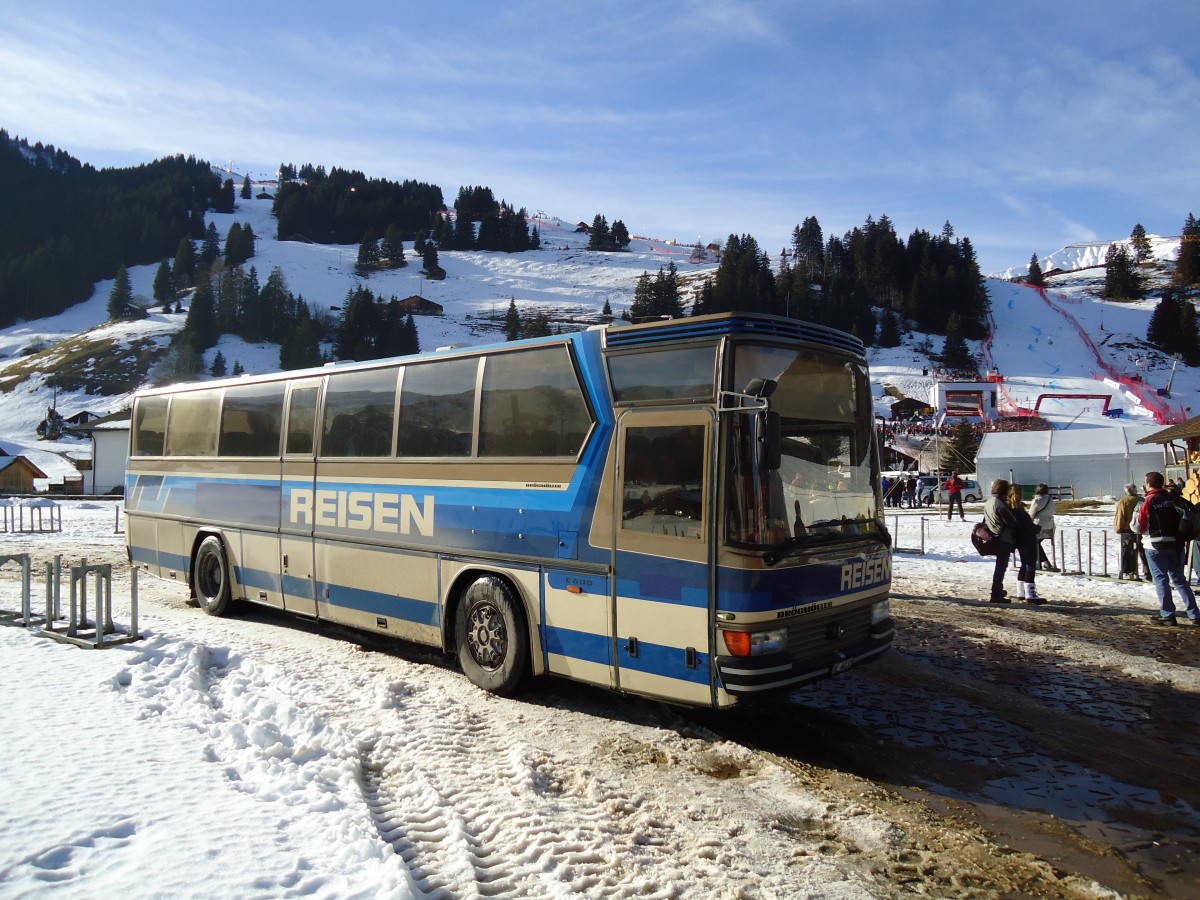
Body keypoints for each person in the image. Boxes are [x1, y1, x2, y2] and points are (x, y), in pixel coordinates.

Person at [1134, 471, 1200, 625]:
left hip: (1155, 544)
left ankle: (1168, 614)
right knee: (1179, 579)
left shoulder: (1147, 501)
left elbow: (1140, 526)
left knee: (1161, 579)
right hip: (1177, 544)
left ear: (1148, 483)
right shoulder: (1173, 499)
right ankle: (1194, 614)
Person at [1007, 483, 1046, 604]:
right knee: (1030, 565)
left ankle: (1021, 592)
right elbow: (1027, 526)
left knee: (1024, 565)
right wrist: (1037, 529)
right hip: (1027, 539)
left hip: (1018, 540)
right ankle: (1031, 594)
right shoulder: (1019, 509)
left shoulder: (1010, 508)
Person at [983, 478, 1019, 603]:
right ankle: (996, 593)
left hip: (994, 536)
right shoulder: (1000, 503)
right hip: (1003, 538)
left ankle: (998, 590)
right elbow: (1012, 522)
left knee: (1000, 567)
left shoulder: (989, 502)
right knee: (1001, 567)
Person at [1114, 483, 1144, 580]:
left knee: (1127, 550)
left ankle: (1128, 570)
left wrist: (1118, 528)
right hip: (1141, 529)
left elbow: (1120, 517)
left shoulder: (1123, 501)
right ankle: (1147, 571)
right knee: (1142, 551)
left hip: (1127, 530)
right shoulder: (1141, 500)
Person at [1029, 483, 1058, 571]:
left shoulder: (1036, 500)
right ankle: (1045, 562)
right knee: (1036, 543)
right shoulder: (1051, 500)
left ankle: (1044, 561)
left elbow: (1031, 514)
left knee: (1033, 543)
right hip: (1050, 524)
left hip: (1038, 524)